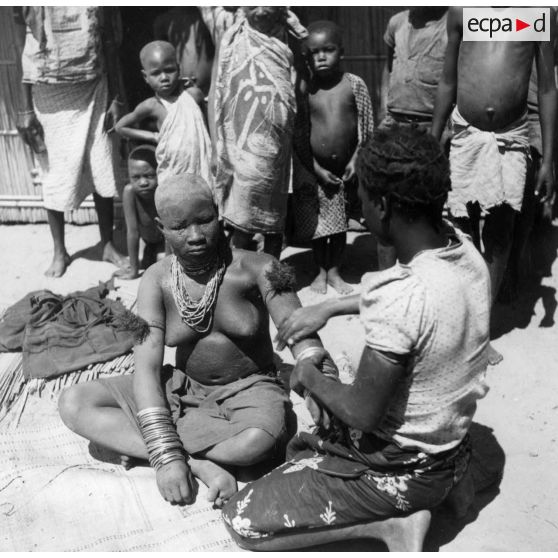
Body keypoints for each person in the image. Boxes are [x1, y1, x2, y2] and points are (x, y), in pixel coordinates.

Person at [221, 126, 491, 550]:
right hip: (452, 441)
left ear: (382, 205)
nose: (357, 204)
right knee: (308, 444)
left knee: (243, 521)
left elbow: (362, 414)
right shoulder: (463, 249)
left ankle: (391, 526)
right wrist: (330, 306)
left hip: (407, 465)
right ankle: (454, 484)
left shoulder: (401, 296)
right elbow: (415, 300)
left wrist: (307, 378)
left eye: (360, 194)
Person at [58, 173, 336, 508]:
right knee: (75, 403)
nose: (195, 236)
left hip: (250, 389)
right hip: (182, 388)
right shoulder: (156, 279)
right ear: (161, 227)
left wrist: (322, 384)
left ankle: (152, 445)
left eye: (204, 221)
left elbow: (301, 333)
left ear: (218, 215)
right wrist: (168, 459)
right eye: (179, 226)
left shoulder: (258, 267)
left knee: (256, 444)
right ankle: (195, 462)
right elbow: (146, 368)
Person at [431, 7, 556, 307]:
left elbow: (548, 89)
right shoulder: (461, 12)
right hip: (466, 135)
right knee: (463, 225)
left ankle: (482, 323)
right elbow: (448, 81)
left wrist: (549, 161)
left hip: (510, 138)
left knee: (501, 229)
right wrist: (433, 139)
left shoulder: (539, 15)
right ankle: (470, 305)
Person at [13, 6, 127, 278]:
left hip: (94, 86)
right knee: (54, 173)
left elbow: (108, 41)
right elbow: (23, 45)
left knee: (100, 165)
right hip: (48, 94)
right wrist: (25, 109)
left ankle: (107, 244)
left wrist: (116, 97)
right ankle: (59, 250)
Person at [209, 7, 306, 258]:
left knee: (274, 216)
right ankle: (238, 274)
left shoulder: (290, 38)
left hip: (276, 140)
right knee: (241, 213)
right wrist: (214, 145)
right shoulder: (231, 39)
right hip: (238, 143)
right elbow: (215, 90)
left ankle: (270, 274)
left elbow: (300, 85)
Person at [292, 21, 374, 295]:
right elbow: (300, 134)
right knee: (318, 226)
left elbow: (366, 125)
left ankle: (336, 272)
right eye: (314, 53)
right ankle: (320, 270)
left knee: (339, 226)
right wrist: (314, 167)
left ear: (342, 51)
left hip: (344, 170)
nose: (321, 57)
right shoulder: (306, 90)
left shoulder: (354, 85)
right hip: (316, 171)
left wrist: (355, 160)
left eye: (328, 50)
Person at [376, 7, 448, 269]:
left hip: (432, 129)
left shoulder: (455, 21)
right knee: (387, 212)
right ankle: (387, 285)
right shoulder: (397, 22)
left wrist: (442, 131)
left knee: (427, 213)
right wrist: (384, 109)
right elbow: (388, 67)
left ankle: (423, 281)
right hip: (395, 126)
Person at [114, 41, 212, 186]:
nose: (164, 77)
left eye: (169, 70)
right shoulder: (151, 105)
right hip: (172, 172)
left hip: (202, 168)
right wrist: (153, 136)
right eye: (156, 73)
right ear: (145, 77)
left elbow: (207, 126)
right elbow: (120, 127)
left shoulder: (193, 95)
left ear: (179, 69)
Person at [115, 145, 165, 280]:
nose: (143, 182)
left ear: (159, 172)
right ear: (129, 176)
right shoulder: (129, 192)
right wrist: (134, 270)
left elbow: (171, 230)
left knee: (162, 263)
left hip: (165, 240)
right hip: (148, 240)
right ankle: (151, 252)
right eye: (136, 177)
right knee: (146, 265)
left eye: (149, 176)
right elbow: (132, 232)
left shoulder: (163, 190)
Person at [153, 7, 215, 97]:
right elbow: (162, 59)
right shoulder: (163, 21)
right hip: (182, 91)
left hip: (209, 88)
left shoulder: (207, 15)